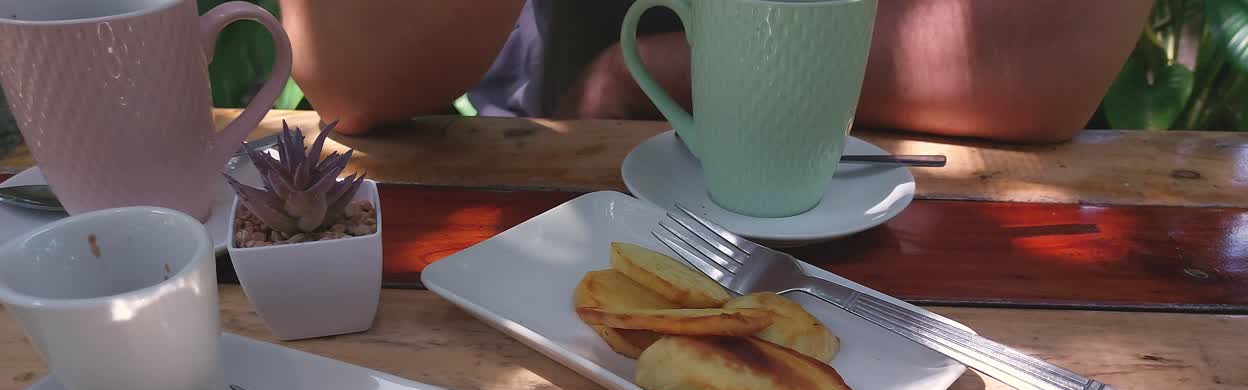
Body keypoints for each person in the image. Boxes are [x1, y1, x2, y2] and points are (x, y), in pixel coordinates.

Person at [279, 0, 1149, 143]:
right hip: (571, 251)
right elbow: (359, 77)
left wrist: (679, 69)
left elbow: (1051, 52)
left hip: (970, 250)